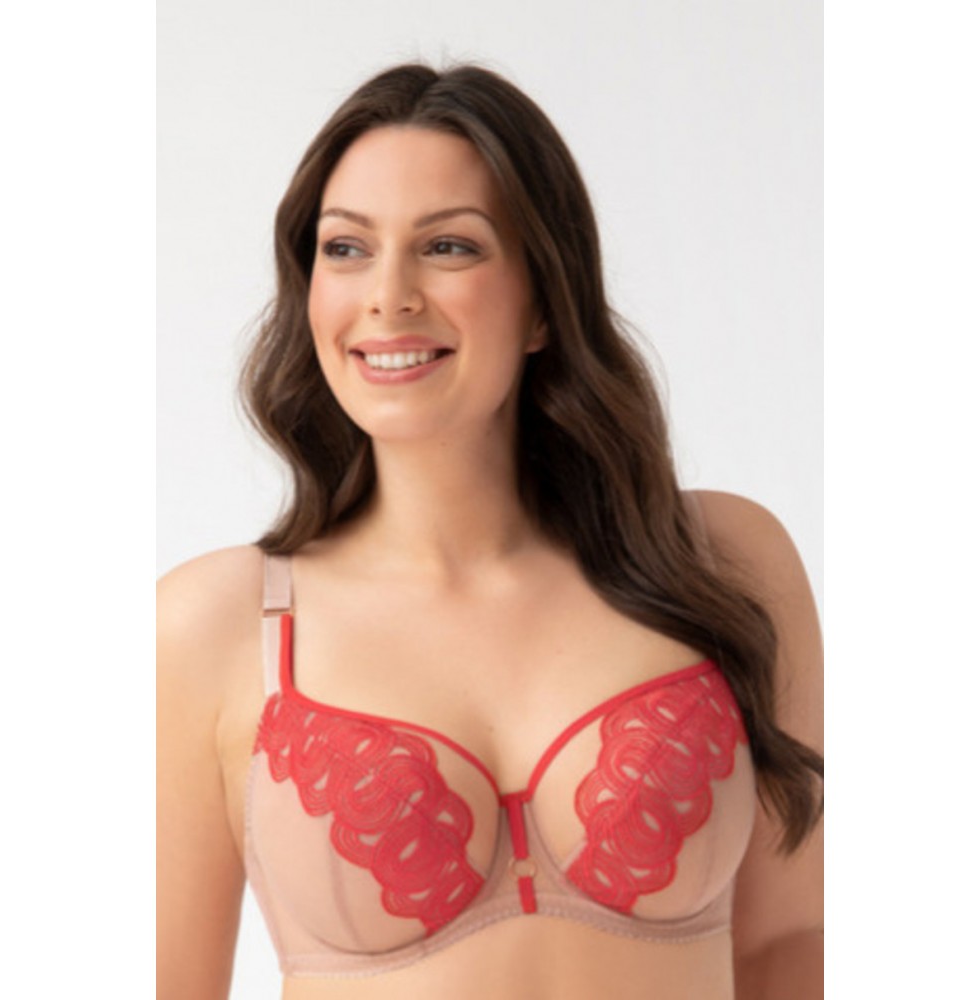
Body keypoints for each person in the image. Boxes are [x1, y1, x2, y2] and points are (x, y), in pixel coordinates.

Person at [157, 63, 823, 1000]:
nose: (388, 295)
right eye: (346, 249)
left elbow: (792, 943)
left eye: (448, 247)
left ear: (545, 299)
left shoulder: (723, 561)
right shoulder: (219, 625)